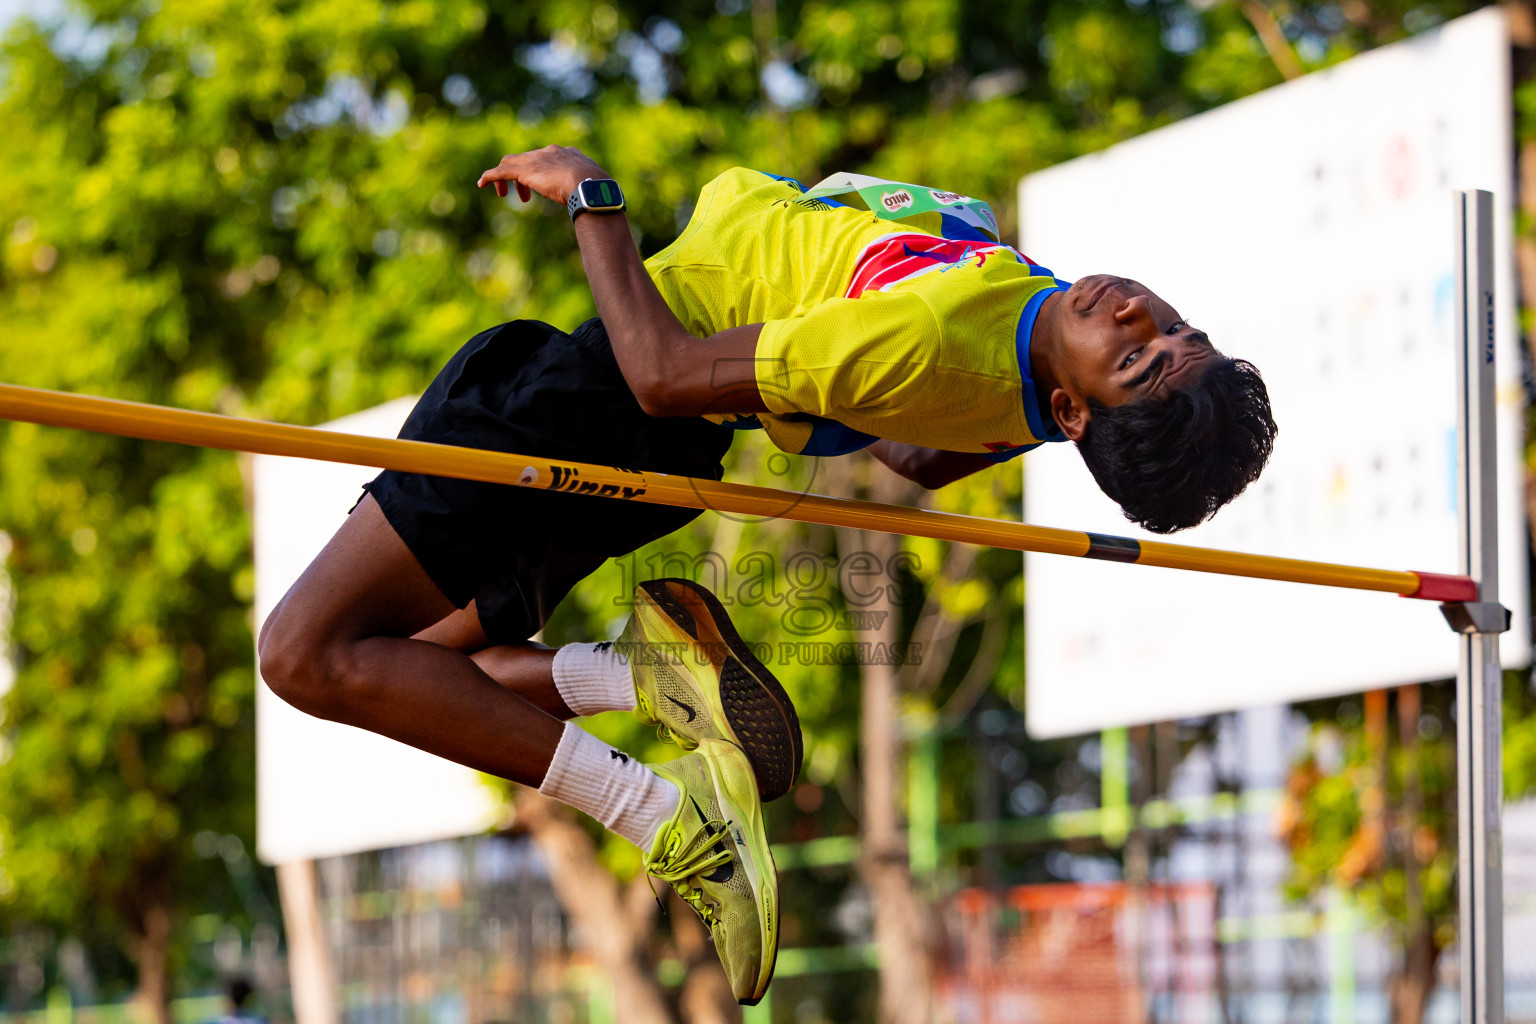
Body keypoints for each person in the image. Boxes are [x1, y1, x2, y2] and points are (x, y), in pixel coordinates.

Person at [257, 146, 1277, 1004]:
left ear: (1076, 412)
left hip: (591, 403)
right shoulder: (1029, 358)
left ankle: (660, 814)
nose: (1140, 316)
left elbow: (661, 372)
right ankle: (640, 678)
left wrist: (590, 194)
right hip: (662, 454)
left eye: (1139, 360)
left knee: (304, 655)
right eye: (1176, 332)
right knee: (430, 664)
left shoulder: (937, 342)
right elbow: (914, 455)